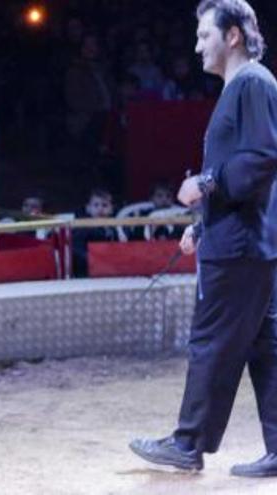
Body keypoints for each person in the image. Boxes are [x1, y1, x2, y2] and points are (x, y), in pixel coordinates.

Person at [130, 0, 277, 477]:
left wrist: (206, 185)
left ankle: (188, 444)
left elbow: (261, 159)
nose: (196, 47)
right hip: (243, 241)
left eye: (204, 36)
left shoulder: (251, 84)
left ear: (233, 36)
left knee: (211, 342)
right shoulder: (244, 87)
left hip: (237, 251)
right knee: (264, 347)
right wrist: (202, 224)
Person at [71, 188, 118, 277]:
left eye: (105, 205)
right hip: (87, 271)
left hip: (110, 270)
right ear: (88, 208)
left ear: (112, 209)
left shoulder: (115, 228)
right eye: (96, 205)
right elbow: (76, 249)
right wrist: (93, 259)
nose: (100, 209)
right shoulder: (82, 228)